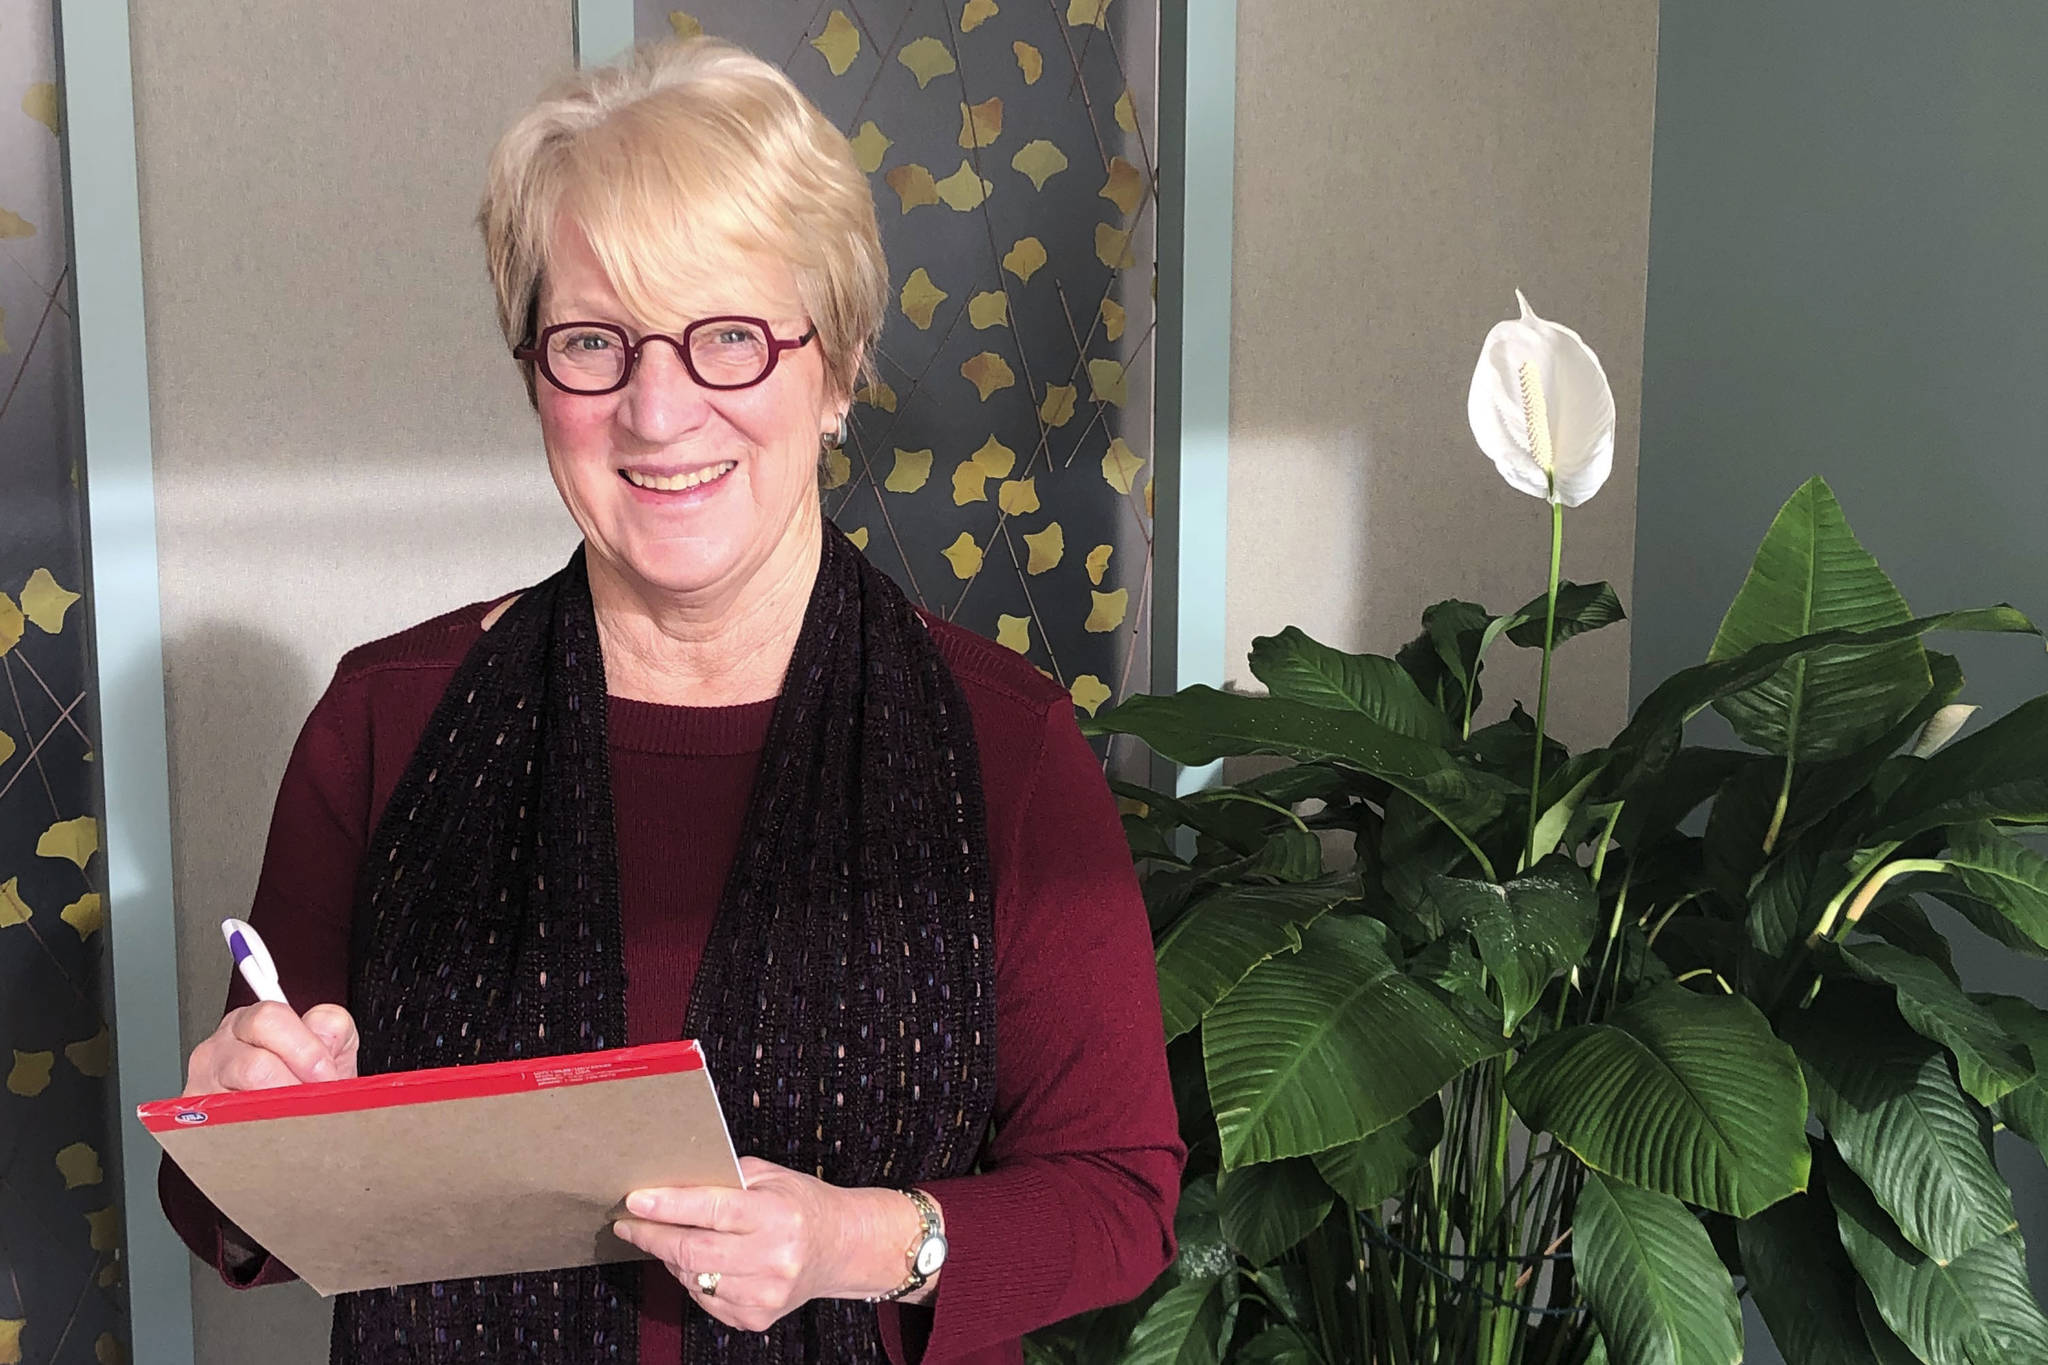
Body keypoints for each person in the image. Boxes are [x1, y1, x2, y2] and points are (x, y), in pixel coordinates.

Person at [158, 36, 1182, 1365]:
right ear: (536, 374)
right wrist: (240, 1125)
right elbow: (237, 1216)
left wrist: (857, 1241)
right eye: (594, 342)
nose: (656, 411)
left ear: (838, 366)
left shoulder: (1005, 744)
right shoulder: (387, 721)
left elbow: (1120, 1197)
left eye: (730, 338)